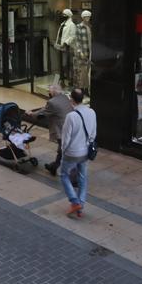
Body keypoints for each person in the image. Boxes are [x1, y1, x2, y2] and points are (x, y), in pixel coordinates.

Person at [59, 88, 96, 219]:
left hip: (72, 153)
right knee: (82, 177)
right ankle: (81, 203)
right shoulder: (92, 112)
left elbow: (66, 138)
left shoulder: (71, 116)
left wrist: (63, 150)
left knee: (64, 175)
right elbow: (93, 134)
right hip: (85, 152)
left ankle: (74, 202)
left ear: (71, 100)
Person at [29, 84, 73, 176]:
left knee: (63, 149)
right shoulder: (65, 97)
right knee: (62, 148)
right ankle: (54, 166)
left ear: (53, 92)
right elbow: (47, 109)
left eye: (49, 91)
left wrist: (31, 114)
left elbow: (44, 112)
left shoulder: (52, 102)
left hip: (62, 129)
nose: (48, 92)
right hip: (70, 126)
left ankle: (61, 168)